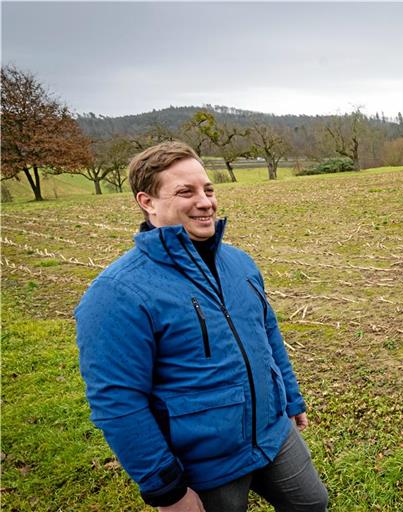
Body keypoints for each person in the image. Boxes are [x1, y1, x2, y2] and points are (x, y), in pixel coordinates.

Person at [75, 141, 328, 512]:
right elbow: (117, 401)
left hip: (274, 432)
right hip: (205, 464)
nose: (206, 201)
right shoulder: (116, 293)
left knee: (312, 504)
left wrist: (289, 395)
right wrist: (168, 491)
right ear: (147, 202)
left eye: (208, 189)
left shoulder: (239, 264)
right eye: (186, 191)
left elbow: (268, 334)